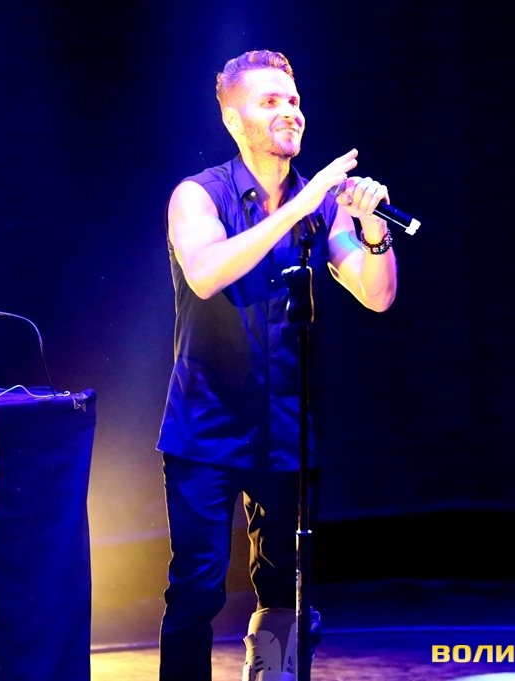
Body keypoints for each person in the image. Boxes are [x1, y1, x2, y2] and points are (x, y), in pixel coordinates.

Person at [157, 49, 399, 681]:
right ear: (233, 120)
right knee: (197, 588)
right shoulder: (198, 196)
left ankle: (271, 677)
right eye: (270, 102)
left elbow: (376, 294)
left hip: (287, 428)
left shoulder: (320, 205)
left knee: (285, 591)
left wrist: (372, 232)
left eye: (293, 100)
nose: (290, 111)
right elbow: (205, 273)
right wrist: (300, 204)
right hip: (206, 427)